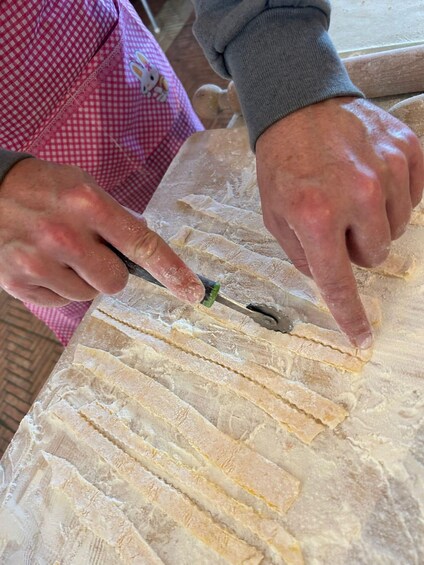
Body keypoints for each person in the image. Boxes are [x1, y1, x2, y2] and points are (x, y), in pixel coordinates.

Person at [0, 1, 422, 348]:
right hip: (22, 236)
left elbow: (279, 56)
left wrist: (282, 60)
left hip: (112, 72)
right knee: (116, 314)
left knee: (201, 194)